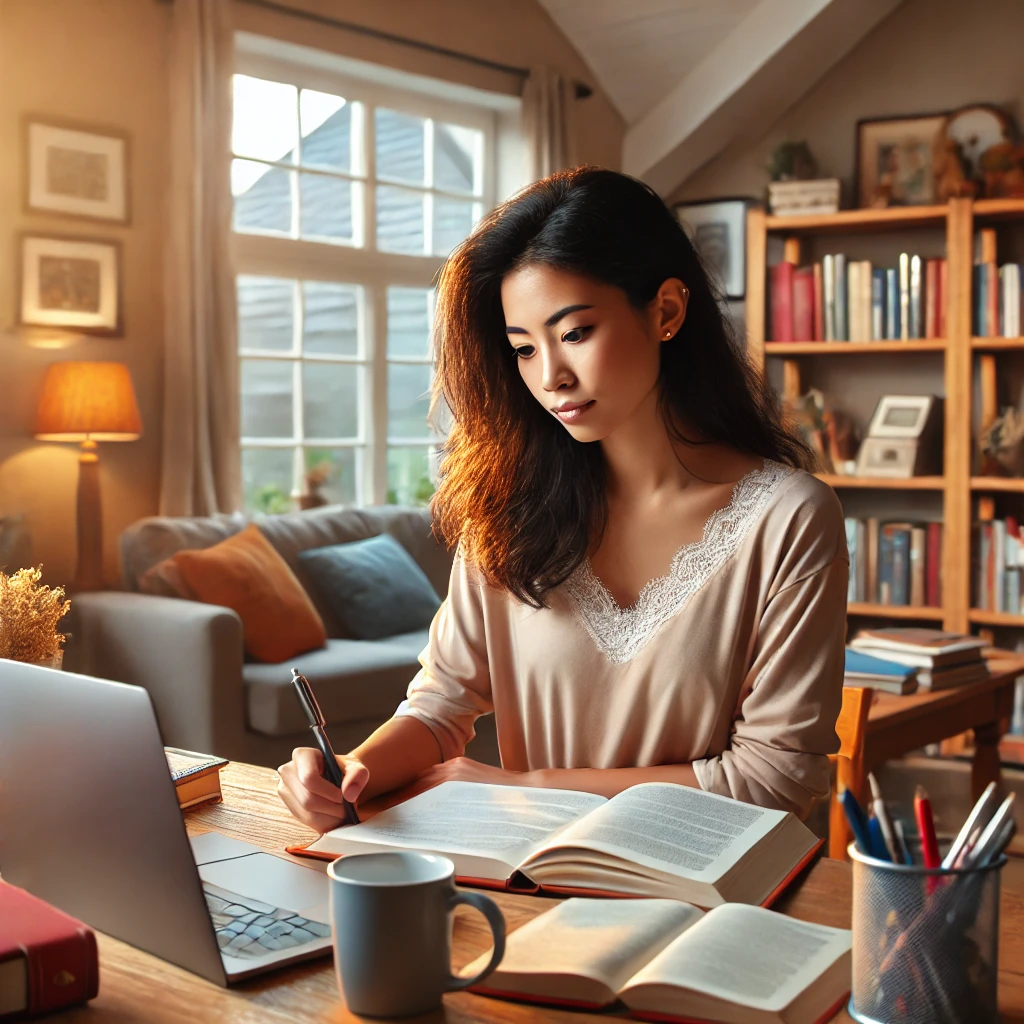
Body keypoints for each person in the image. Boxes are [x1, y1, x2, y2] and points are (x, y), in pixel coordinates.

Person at [278, 167, 848, 834]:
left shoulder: (790, 520)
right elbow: (440, 704)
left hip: (714, 900)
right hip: (540, 891)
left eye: (575, 332)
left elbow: (771, 780)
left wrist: (524, 791)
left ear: (666, 311)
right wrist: (353, 770)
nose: (551, 377)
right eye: (524, 348)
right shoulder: (510, 505)